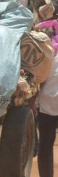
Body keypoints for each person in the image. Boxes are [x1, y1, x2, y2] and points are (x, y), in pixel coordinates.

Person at [36, 15, 58, 177]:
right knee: (46, 144)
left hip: (48, 104)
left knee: (46, 145)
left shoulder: (47, 50)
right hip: (48, 103)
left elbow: (40, 79)